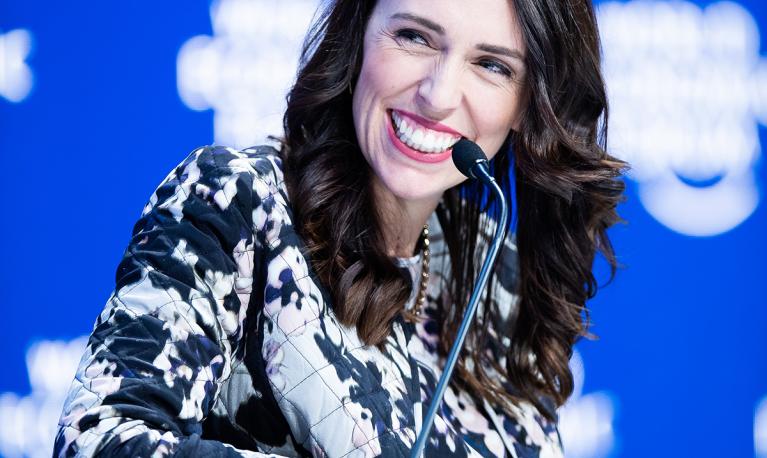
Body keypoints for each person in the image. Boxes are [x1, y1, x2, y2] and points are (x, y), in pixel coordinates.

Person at [54, 0, 626, 456]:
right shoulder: (239, 201)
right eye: (415, 37)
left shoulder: (496, 278)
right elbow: (102, 438)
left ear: (529, 106)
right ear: (358, 33)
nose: (438, 95)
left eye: (491, 65)